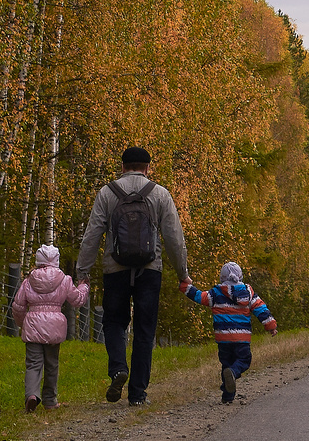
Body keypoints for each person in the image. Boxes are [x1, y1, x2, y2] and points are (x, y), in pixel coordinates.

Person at [77, 144, 192, 404]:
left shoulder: (107, 193)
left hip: (114, 268)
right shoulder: (160, 194)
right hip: (150, 270)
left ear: (122, 167)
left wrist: (82, 272)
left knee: (114, 322)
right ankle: (138, 394)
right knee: (144, 329)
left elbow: (92, 235)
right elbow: (175, 238)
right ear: (148, 168)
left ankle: (118, 368)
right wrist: (182, 273)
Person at [184, 259, 277, 403]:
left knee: (226, 363)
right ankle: (233, 373)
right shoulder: (248, 292)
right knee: (244, 360)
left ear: (222, 278)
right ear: (240, 277)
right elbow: (260, 308)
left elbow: (200, 297)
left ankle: (227, 397)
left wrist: (186, 287)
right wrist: (270, 325)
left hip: (223, 338)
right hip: (242, 338)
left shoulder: (216, 293)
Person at [11, 243, 89, 412]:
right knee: (52, 364)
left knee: (33, 364)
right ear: (56, 260)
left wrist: (22, 323)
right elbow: (77, 300)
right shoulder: (64, 280)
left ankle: (31, 395)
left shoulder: (28, 281)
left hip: (33, 326)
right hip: (54, 328)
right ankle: (49, 400)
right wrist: (84, 286)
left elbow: (18, 306)